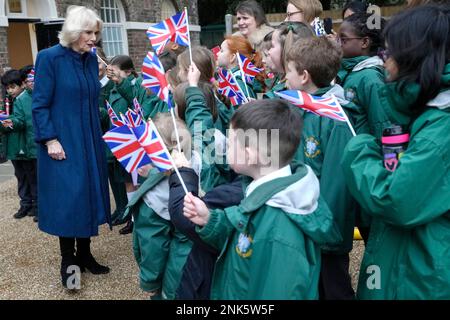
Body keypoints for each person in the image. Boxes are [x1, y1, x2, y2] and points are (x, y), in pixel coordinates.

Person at [341, 4, 450, 299]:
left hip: (420, 281)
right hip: (404, 268)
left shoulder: (440, 130)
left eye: (388, 52)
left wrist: (359, 149)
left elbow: (396, 200)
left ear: (413, 57)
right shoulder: (423, 113)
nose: (383, 60)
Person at [183, 99, 341, 299]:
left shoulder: (280, 232)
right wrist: (210, 220)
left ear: (249, 156)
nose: (226, 148)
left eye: (231, 143)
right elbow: (246, 235)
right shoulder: (264, 193)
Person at [32, 5, 111, 289]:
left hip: (89, 139)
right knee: (70, 200)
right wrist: (50, 139)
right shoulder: (48, 58)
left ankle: (85, 253)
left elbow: (92, 100)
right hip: (62, 142)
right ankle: (70, 262)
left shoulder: (90, 60)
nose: (93, 38)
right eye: (89, 32)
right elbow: (39, 104)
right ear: (74, 31)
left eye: (96, 33)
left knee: (87, 193)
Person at [285, 36, 358, 299]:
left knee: (334, 290)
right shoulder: (301, 110)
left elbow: (337, 186)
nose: (285, 78)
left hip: (325, 234)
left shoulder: (334, 119)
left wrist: (324, 235)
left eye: (289, 71)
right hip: (305, 228)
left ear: (304, 76)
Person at [1, 69, 36, 220]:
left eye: (12, 87)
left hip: (25, 145)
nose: (10, 91)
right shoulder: (9, 100)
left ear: (21, 84)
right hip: (14, 145)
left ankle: (37, 206)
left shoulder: (25, 98)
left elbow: (24, 122)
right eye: (7, 88)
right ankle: (26, 204)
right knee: (21, 176)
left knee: (31, 177)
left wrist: (11, 121)